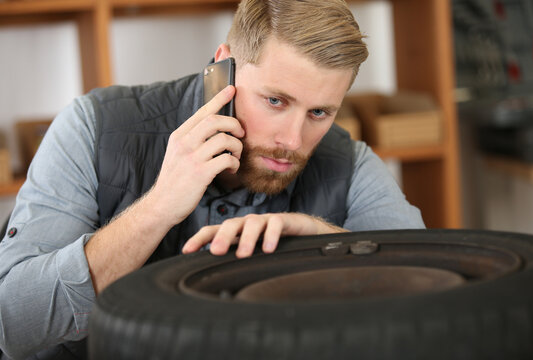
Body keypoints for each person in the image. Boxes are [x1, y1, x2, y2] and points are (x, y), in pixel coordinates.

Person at [0, 0, 424, 358]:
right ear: (224, 68)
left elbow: (430, 300)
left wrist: (327, 243)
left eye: (319, 113)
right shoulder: (91, 126)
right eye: (275, 101)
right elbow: (11, 325)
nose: (293, 141)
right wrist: (157, 208)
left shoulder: (348, 160)